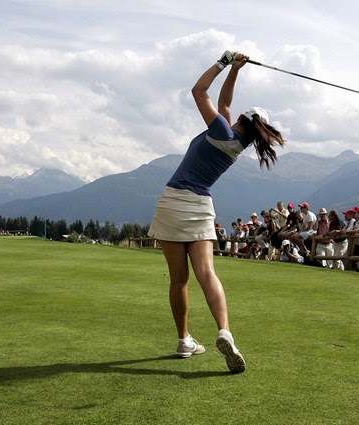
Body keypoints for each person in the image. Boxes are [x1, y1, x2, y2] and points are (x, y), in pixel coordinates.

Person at [147, 51, 286, 373]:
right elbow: (224, 104)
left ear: (241, 120)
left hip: (172, 202)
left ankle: (184, 340)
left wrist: (223, 62)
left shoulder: (223, 129)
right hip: (199, 207)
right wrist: (236, 70)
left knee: (179, 280)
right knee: (207, 273)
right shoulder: (237, 143)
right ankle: (224, 331)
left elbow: (199, 91)